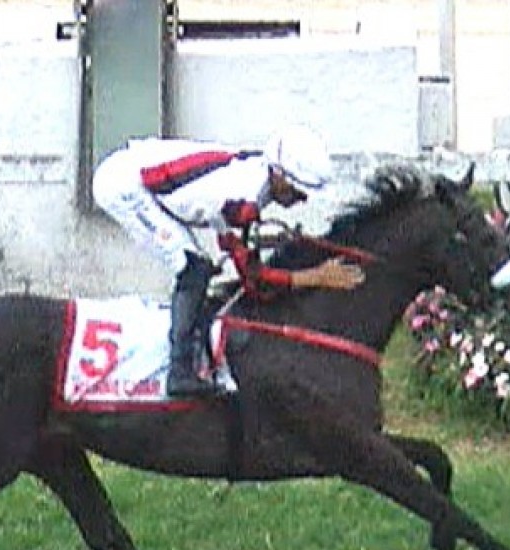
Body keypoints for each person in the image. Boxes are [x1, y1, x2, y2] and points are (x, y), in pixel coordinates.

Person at [92, 125, 361, 398]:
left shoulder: (258, 176)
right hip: (125, 188)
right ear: (279, 174)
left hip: (141, 175)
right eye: (296, 191)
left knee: (202, 267)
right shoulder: (242, 197)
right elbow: (253, 279)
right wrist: (316, 276)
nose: (300, 200)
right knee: (194, 269)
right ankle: (179, 372)